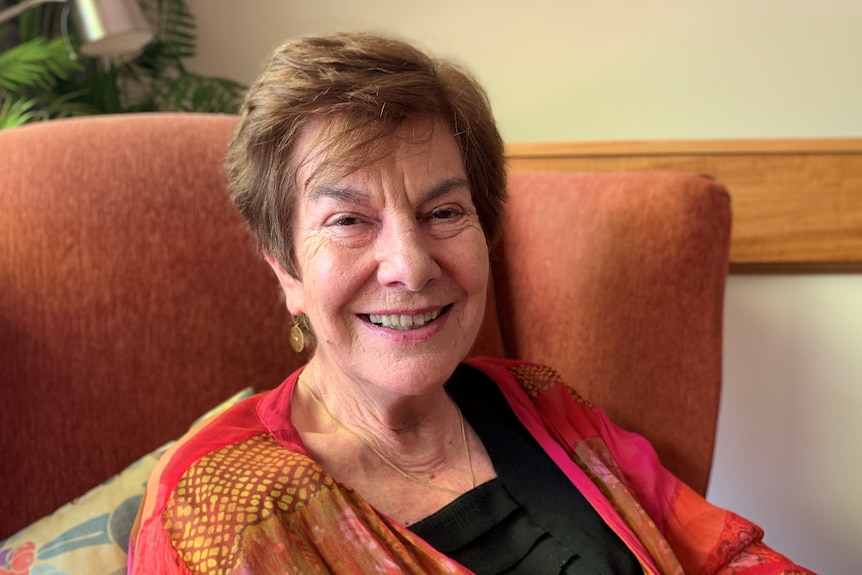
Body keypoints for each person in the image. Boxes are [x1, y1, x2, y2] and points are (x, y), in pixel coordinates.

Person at [129, 32, 812, 574]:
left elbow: (723, 557)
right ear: (286, 269)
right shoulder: (212, 505)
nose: (410, 264)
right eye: (349, 220)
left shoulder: (540, 403)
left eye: (444, 211)